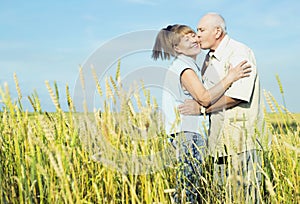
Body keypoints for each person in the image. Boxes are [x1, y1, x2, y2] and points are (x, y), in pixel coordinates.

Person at [152, 24, 251, 203]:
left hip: (190, 135)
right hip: (188, 135)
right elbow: (205, 98)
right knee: (188, 187)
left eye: (192, 34)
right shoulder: (184, 68)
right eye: (185, 39)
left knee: (191, 185)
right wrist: (231, 77)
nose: (193, 39)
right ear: (176, 48)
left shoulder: (190, 65)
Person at [179, 13, 271, 203]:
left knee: (246, 198)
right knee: (222, 198)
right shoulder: (207, 60)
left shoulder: (239, 53)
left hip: (241, 141)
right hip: (218, 144)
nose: (197, 35)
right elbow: (208, 94)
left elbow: (237, 96)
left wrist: (202, 109)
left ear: (218, 31)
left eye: (201, 30)